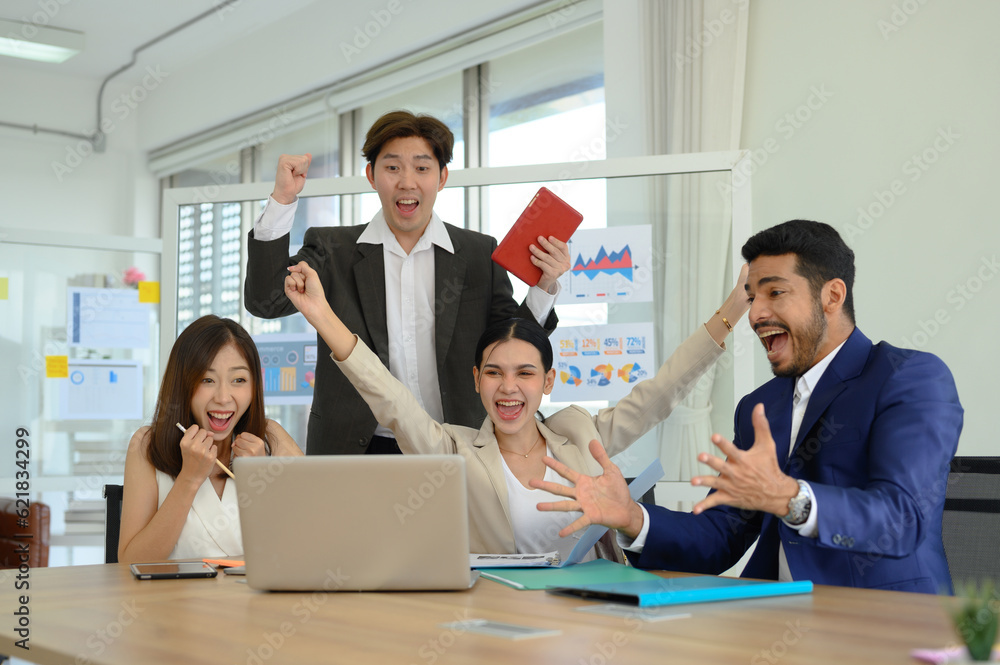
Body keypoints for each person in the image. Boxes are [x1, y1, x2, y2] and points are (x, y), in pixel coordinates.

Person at [534, 220, 963, 593]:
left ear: (832, 296)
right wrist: (632, 517)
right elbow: (719, 536)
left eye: (775, 293)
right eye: (752, 297)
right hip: (775, 623)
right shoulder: (760, 406)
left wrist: (790, 498)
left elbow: (902, 518)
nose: (756, 314)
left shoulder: (908, 378)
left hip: (885, 625)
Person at [283, 259, 750, 557]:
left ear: (548, 381)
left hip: (598, 609)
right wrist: (321, 315)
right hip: (504, 615)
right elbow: (389, 397)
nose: (509, 388)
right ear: (476, 380)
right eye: (494, 373)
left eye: (525, 373)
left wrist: (732, 309)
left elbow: (661, 391)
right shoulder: (454, 448)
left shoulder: (578, 430)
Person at [244, 110, 571, 455]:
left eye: (422, 167)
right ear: (371, 175)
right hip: (357, 448)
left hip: (455, 442)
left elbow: (511, 341)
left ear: (442, 177)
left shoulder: (478, 254)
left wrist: (544, 286)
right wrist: (282, 201)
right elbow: (265, 300)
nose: (407, 181)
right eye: (392, 167)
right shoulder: (333, 250)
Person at [118, 315, 303, 563]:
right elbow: (131, 562)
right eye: (207, 380)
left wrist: (264, 486)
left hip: (252, 601)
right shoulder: (146, 445)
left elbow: (309, 547)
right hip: (170, 601)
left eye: (239, 380)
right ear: (183, 383)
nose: (224, 397)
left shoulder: (271, 439)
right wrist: (189, 480)